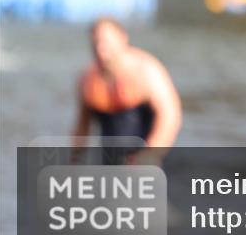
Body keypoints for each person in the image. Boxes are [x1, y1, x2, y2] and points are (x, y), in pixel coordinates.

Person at [71, 17, 182, 163]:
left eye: (106, 44)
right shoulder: (87, 79)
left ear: (122, 38)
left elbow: (170, 116)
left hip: (148, 156)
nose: (101, 51)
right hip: (110, 160)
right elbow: (82, 127)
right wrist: (73, 159)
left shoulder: (147, 71)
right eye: (96, 44)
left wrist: (151, 153)